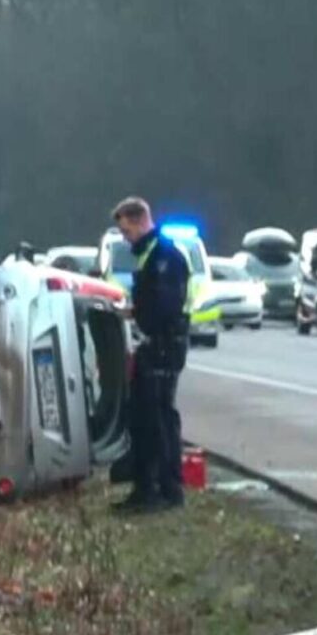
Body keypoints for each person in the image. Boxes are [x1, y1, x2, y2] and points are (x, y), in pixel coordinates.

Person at [112, 196, 192, 515]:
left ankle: (159, 489)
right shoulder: (151, 255)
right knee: (149, 416)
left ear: (140, 221)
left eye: (125, 229)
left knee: (155, 420)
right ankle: (153, 486)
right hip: (158, 343)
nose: (124, 237)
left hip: (163, 346)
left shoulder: (164, 257)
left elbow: (164, 305)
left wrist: (138, 313)